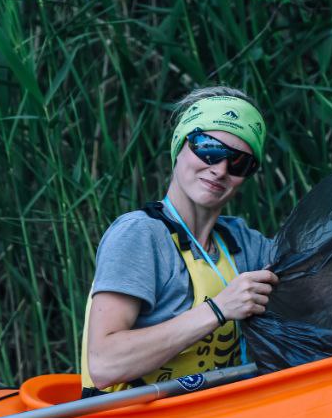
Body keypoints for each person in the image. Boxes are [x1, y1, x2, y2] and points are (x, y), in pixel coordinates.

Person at [79, 87, 278, 395]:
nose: (220, 169)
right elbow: (105, 364)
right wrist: (219, 309)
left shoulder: (241, 242)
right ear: (179, 146)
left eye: (239, 163)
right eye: (208, 148)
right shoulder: (139, 235)